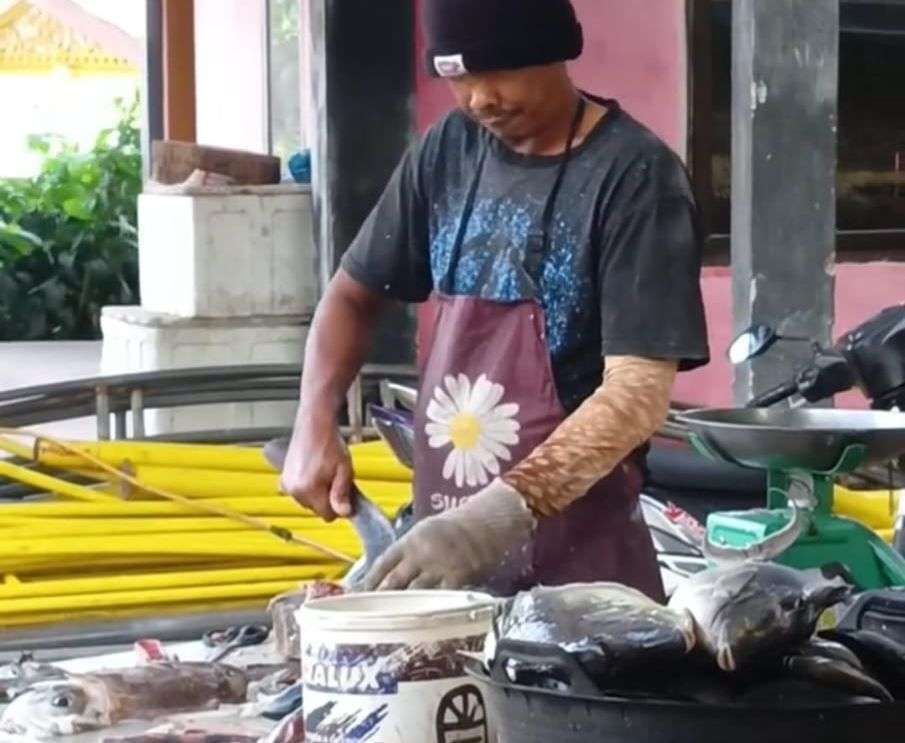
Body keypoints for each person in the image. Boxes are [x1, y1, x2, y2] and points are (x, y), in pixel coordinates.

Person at [279, 0, 709, 601]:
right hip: (443, 558)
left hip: (582, 570)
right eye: (457, 76)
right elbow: (352, 296)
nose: (480, 98)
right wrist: (313, 421)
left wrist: (490, 522)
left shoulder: (635, 176)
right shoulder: (448, 150)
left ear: (556, 51)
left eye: (498, 71)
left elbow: (636, 395)